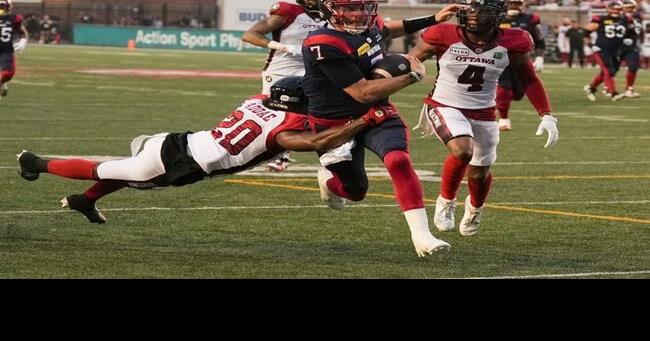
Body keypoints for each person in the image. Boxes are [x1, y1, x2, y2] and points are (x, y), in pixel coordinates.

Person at [16, 77, 396, 226]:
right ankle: (36, 163)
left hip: (180, 142)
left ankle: (84, 202)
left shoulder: (258, 101)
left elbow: (289, 111)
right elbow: (314, 142)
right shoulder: (284, 129)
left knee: (127, 174)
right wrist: (367, 119)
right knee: (108, 170)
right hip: (182, 160)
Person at [302, 0, 466, 257]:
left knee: (399, 159)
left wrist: (434, 18)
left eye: (363, 7)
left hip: (378, 113)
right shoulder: (324, 42)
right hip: (335, 123)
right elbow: (362, 92)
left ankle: (422, 235)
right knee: (355, 192)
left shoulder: (369, 25)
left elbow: (387, 29)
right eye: (349, 8)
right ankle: (329, 182)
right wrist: (412, 76)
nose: (359, 14)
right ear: (329, 10)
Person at [409, 0, 559, 236]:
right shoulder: (443, 33)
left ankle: (475, 207)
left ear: (498, 16)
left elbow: (528, 78)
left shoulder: (513, 40)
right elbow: (409, 61)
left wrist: (547, 114)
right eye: (470, 10)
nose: (473, 16)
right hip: (444, 104)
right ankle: (446, 201)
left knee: (479, 172)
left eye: (481, 11)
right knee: (462, 151)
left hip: (484, 111)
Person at [242, 1, 325, 172]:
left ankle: (327, 154)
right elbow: (250, 35)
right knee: (273, 113)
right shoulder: (289, 11)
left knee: (311, 112)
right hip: (280, 70)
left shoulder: (330, 15)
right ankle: (268, 154)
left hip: (311, 71)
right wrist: (283, 46)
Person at [494, 0, 546, 131]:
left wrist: (539, 57)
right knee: (504, 90)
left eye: (516, 3)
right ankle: (504, 119)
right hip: (500, 59)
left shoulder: (531, 19)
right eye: (511, 3)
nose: (514, 6)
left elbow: (540, 40)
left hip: (521, 60)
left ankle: (497, 108)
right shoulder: (495, 17)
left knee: (518, 94)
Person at [583, 1, 631, 102]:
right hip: (601, 49)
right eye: (613, 9)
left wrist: (629, 39)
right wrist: (591, 45)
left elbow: (630, 32)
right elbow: (586, 32)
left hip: (616, 50)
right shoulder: (601, 19)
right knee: (608, 70)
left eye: (618, 9)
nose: (616, 11)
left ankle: (591, 88)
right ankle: (613, 93)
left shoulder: (625, 20)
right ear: (608, 9)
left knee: (610, 72)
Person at [0, 0, 28, 103]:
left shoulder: (13, 19)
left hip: (6, 50)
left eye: (3, 6)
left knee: (7, 74)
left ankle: (2, 82)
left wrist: (23, 41)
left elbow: (22, 32)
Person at [620, 0, 643, 97]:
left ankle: (629, 89)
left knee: (633, 67)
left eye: (631, 7)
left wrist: (641, 39)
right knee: (611, 69)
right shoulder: (619, 17)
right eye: (627, 7)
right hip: (619, 45)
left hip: (633, 45)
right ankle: (598, 86)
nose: (630, 9)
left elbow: (639, 30)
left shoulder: (637, 16)